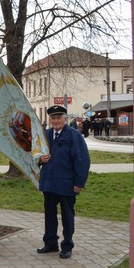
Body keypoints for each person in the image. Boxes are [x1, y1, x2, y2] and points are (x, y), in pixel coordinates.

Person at [37, 105, 90, 259]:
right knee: (49, 215)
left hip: (67, 184)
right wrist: (40, 159)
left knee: (67, 216)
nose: (56, 121)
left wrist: (79, 183)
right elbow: (34, 154)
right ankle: (50, 243)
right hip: (49, 183)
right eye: (53, 118)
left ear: (65, 119)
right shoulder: (46, 135)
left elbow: (82, 160)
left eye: (59, 117)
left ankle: (67, 245)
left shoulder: (74, 135)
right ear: (49, 120)